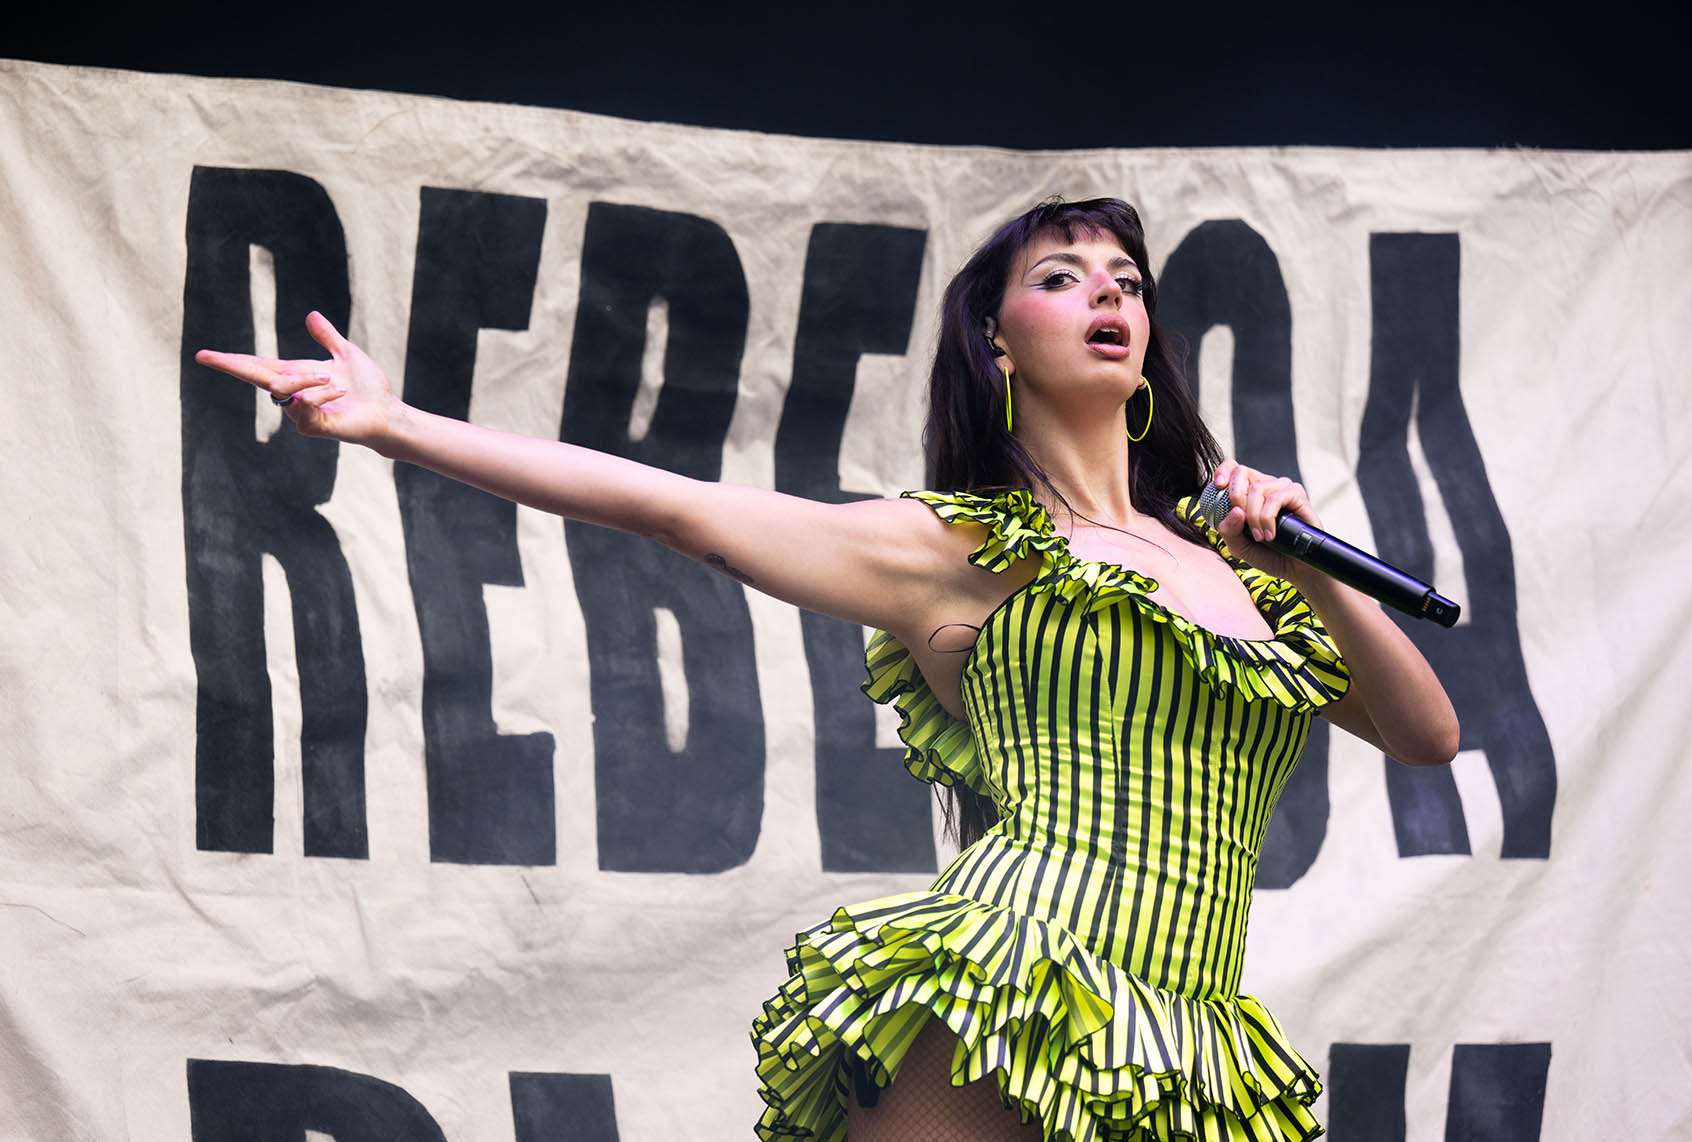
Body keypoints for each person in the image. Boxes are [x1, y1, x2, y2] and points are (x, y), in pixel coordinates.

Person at [197, 197, 1458, 1142]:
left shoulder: (1241, 568)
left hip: (1181, 1033)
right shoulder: (957, 546)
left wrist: (1305, 565)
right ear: (998, 341)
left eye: (1123, 277)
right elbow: (679, 509)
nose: (1104, 292)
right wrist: (399, 423)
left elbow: (1426, 733)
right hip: (1011, 984)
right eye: (1061, 275)